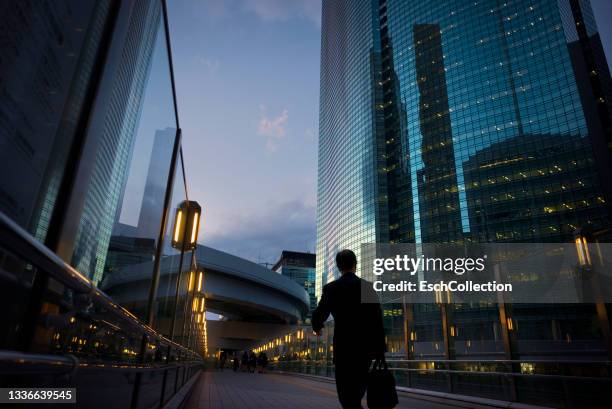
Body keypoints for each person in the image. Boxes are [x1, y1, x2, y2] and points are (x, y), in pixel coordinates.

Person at [312, 249, 386, 409]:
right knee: (357, 392)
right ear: (355, 265)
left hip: (343, 348)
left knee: (346, 394)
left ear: (339, 267)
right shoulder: (368, 287)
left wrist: (317, 327)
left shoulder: (331, 288)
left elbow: (319, 313)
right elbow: (377, 321)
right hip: (364, 349)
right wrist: (380, 349)